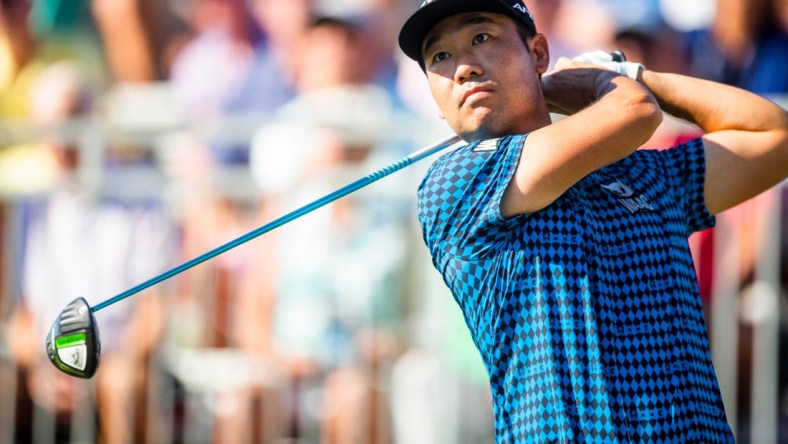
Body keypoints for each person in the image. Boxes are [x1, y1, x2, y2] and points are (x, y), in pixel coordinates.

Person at [396, 0, 788, 442]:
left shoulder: (640, 173)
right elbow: (635, 113)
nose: (462, 67)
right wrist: (607, 81)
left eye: (481, 38)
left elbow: (774, 137)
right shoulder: (455, 182)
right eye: (439, 57)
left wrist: (642, 76)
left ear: (539, 55)